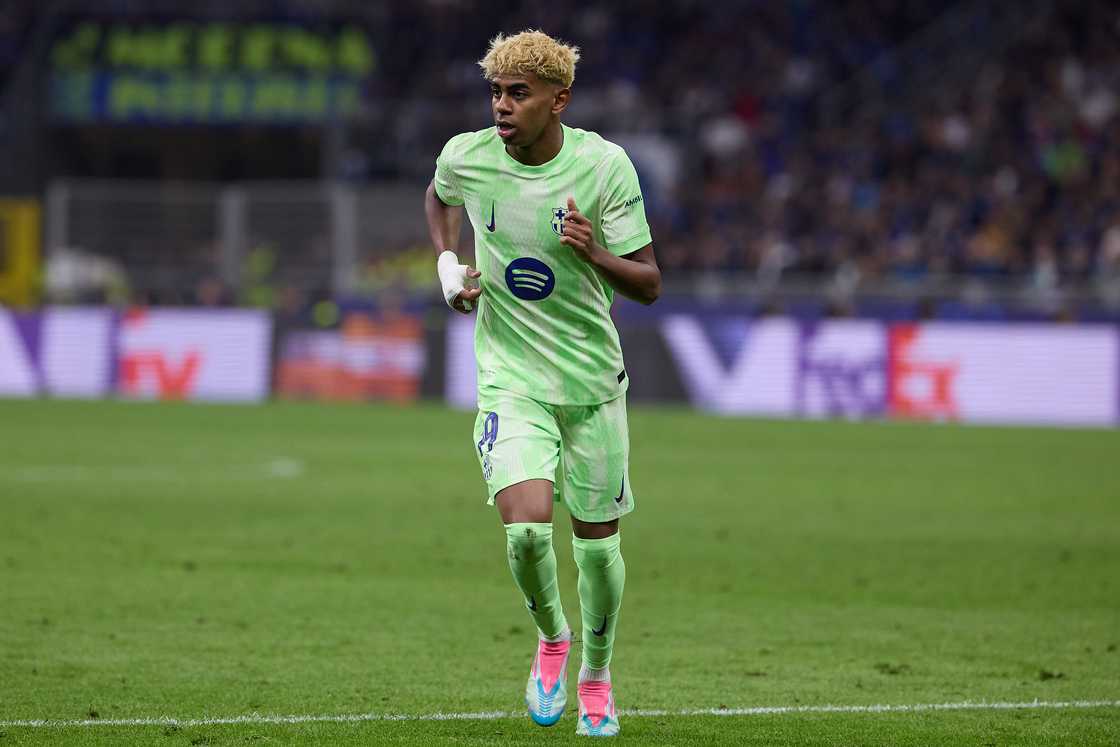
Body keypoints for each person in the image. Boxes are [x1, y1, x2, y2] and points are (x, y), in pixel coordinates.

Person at [424, 29, 660, 737]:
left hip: (592, 384)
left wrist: (595, 252)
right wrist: (447, 263)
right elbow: (438, 197)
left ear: (559, 100)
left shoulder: (604, 167)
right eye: (496, 92)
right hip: (511, 379)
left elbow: (649, 282)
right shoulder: (467, 156)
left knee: (597, 548)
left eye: (518, 94)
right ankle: (553, 638)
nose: (501, 105)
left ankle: (597, 674)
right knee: (526, 534)